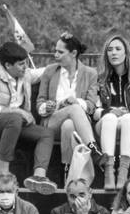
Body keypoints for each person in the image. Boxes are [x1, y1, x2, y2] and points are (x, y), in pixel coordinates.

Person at [0, 42, 54, 188]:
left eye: (26, 63)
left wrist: (63, 63)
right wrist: (17, 111)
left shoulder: (24, 74)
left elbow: (44, 72)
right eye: (21, 64)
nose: (25, 67)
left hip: (14, 125)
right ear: (8, 65)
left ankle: (39, 177)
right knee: (15, 118)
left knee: (46, 134)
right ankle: (2, 173)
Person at [33, 34, 98, 185]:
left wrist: (77, 101)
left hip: (77, 126)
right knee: (73, 109)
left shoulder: (90, 73)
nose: (56, 55)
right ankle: (93, 148)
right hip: (51, 121)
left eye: (60, 52)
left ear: (74, 53)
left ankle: (69, 173)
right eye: (55, 51)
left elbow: (91, 106)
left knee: (69, 124)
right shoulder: (50, 71)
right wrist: (46, 107)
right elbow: (39, 103)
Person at [94, 33, 130, 193]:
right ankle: (109, 173)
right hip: (106, 125)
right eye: (110, 50)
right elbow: (94, 110)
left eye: (118, 49)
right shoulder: (100, 80)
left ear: (126, 53)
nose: (114, 53)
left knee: (129, 118)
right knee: (110, 117)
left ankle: (123, 174)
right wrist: (110, 111)